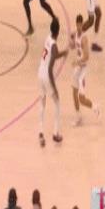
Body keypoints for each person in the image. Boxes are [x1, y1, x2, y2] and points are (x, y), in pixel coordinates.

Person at [38, 18, 68, 146]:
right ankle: (55, 133)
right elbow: (50, 69)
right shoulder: (54, 45)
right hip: (46, 76)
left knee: (42, 103)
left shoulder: (48, 38)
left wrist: (64, 52)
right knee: (57, 103)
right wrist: (54, 88)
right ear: (58, 31)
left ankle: (40, 132)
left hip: (40, 73)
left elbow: (54, 55)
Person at [69, 14, 100, 126]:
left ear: (82, 25)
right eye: (77, 25)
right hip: (78, 67)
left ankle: (95, 107)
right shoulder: (76, 35)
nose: (78, 27)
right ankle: (78, 116)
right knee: (74, 92)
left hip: (83, 69)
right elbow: (73, 47)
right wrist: (71, 40)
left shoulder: (84, 38)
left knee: (81, 99)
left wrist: (77, 62)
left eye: (80, 25)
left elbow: (86, 56)